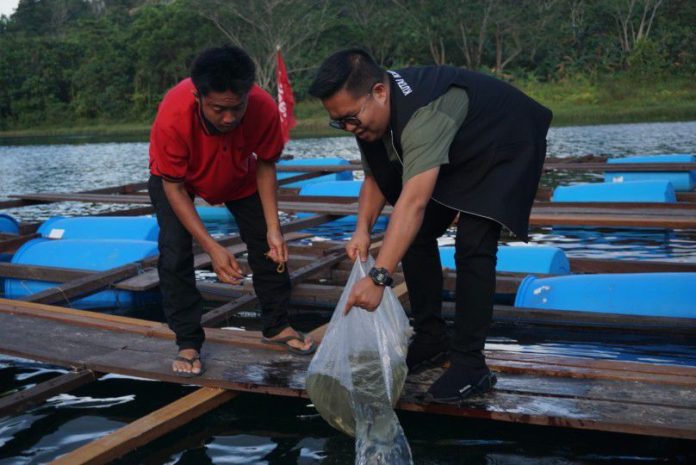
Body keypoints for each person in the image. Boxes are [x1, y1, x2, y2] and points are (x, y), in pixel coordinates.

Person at [309, 49, 552, 403]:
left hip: (505, 138)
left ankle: (471, 365)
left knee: (473, 243)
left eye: (350, 118)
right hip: (459, 146)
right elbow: (376, 177)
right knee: (417, 237)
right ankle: (431, 339)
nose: (349, 128)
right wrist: (362, 229)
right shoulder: (369, 117)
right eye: (339, 122)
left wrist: (380, 277)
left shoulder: (423, 113)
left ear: (378, 91)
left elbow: (414, 202)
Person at [148, 46, 316, 377]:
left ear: (247, 95)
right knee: (174, 252)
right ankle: (188, 341)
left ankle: (277, 325)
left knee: (270, 247)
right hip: (179, 181)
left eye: (236, 108)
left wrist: (274, 229)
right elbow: (174, 188)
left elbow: (266, 164)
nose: (228, 118)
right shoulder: (173, 114)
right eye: (218, 110)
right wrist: (211, 247)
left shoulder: (263, 109)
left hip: (239, 175)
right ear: (198, 96)